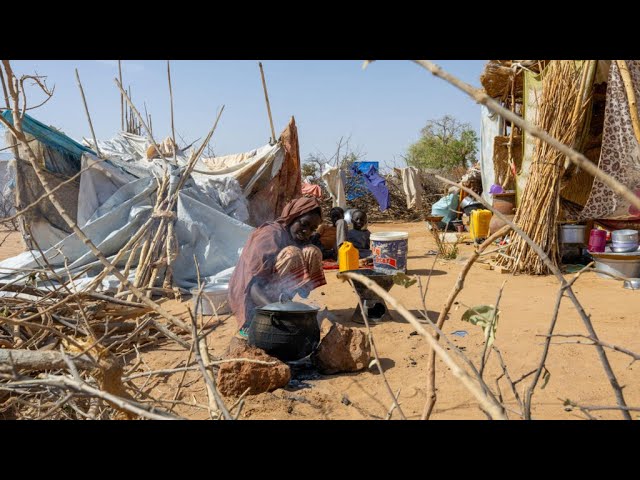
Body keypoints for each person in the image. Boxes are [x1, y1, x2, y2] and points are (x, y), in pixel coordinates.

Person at [228, 197, 327, 338]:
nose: (307, 232)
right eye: (304, 224)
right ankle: (252, 320)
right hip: (250, 296)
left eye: (312, 229)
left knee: (312, 251)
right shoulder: (270, 235)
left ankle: (285, 303)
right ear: (293, 216)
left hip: (273, 294)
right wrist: (281, 313)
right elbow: (252, 286)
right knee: (292, 253)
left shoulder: (298, 237)